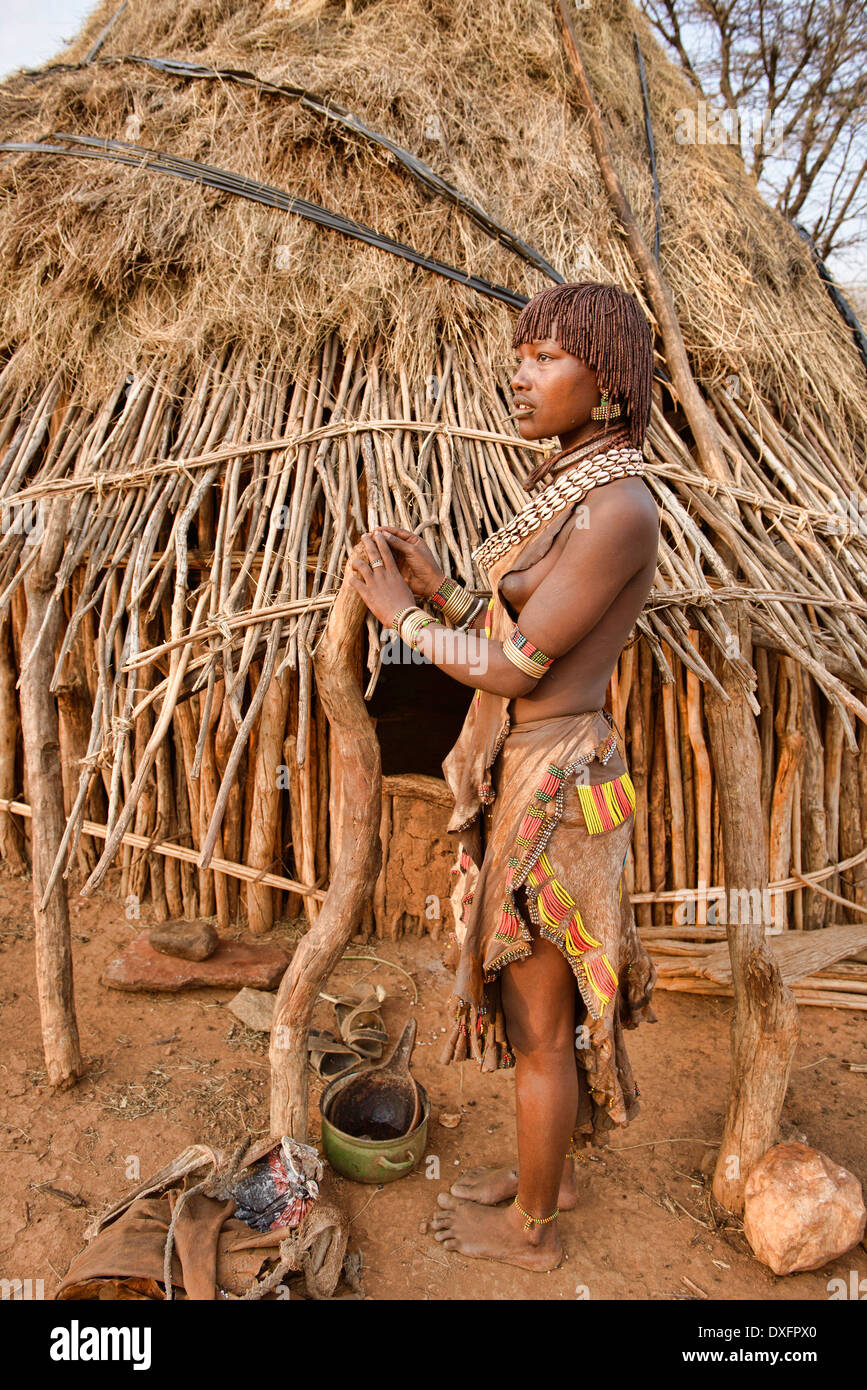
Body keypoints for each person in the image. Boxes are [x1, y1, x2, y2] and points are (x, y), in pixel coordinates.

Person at [345, 281, 660, 1271]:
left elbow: (513, 665)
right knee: (544, 1009)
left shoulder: (617, 507)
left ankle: (533, 1232)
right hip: (536, 764)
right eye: (518, 354)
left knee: (536, 1020)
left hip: (558, 784)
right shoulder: (576, 487)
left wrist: (400, 615)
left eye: (544, 358)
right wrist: (437, 584)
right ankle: (549, 1176)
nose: (518, 375)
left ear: (605, 382)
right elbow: (512, 626)